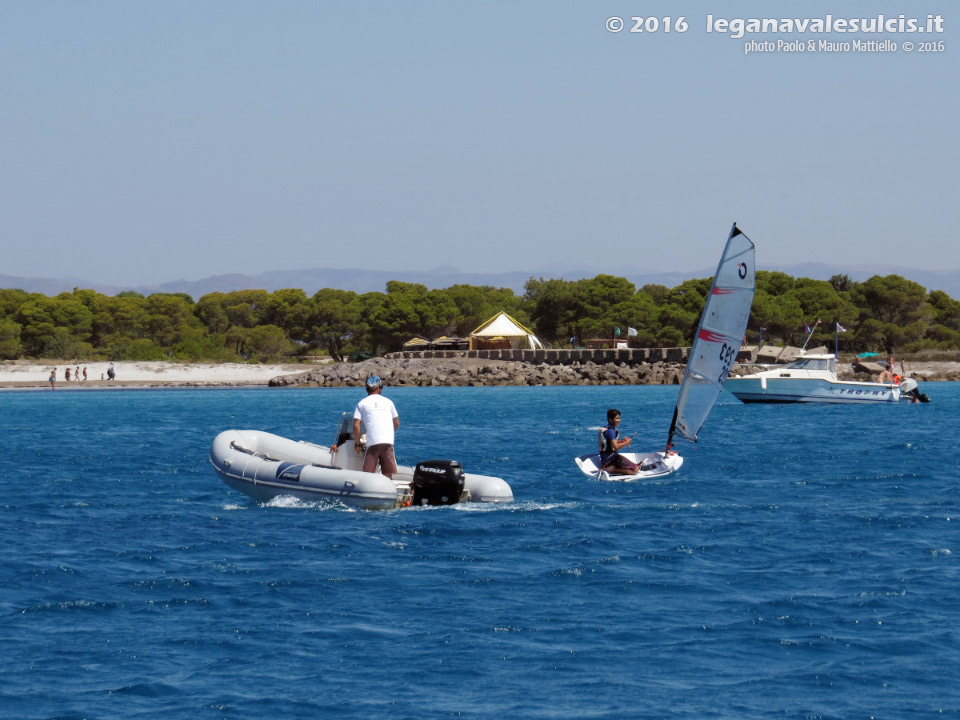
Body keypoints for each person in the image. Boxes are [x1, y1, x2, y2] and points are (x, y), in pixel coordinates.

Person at [352, 375, 399, 478]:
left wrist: (357, 444)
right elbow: (396, 423)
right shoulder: (389, 402)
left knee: (368, 475)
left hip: (372, 443)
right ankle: (388, 489)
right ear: (378, 388)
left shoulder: (362, 403)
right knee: (387, 474)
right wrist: (388, 433)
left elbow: (356, 425)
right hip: (388, 441)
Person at [598, 408, 638, 475]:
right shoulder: (611, 432)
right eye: (616, 418)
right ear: (610, 419)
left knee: (634, 467)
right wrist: (626, 443)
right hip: (612, 459)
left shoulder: (607, 429)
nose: (619, 420)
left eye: (619, 418)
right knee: (635, 470)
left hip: (605, 459)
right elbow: (616, 447)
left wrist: (622, 441)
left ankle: (611, 467)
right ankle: (611, 469)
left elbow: (610, 445)